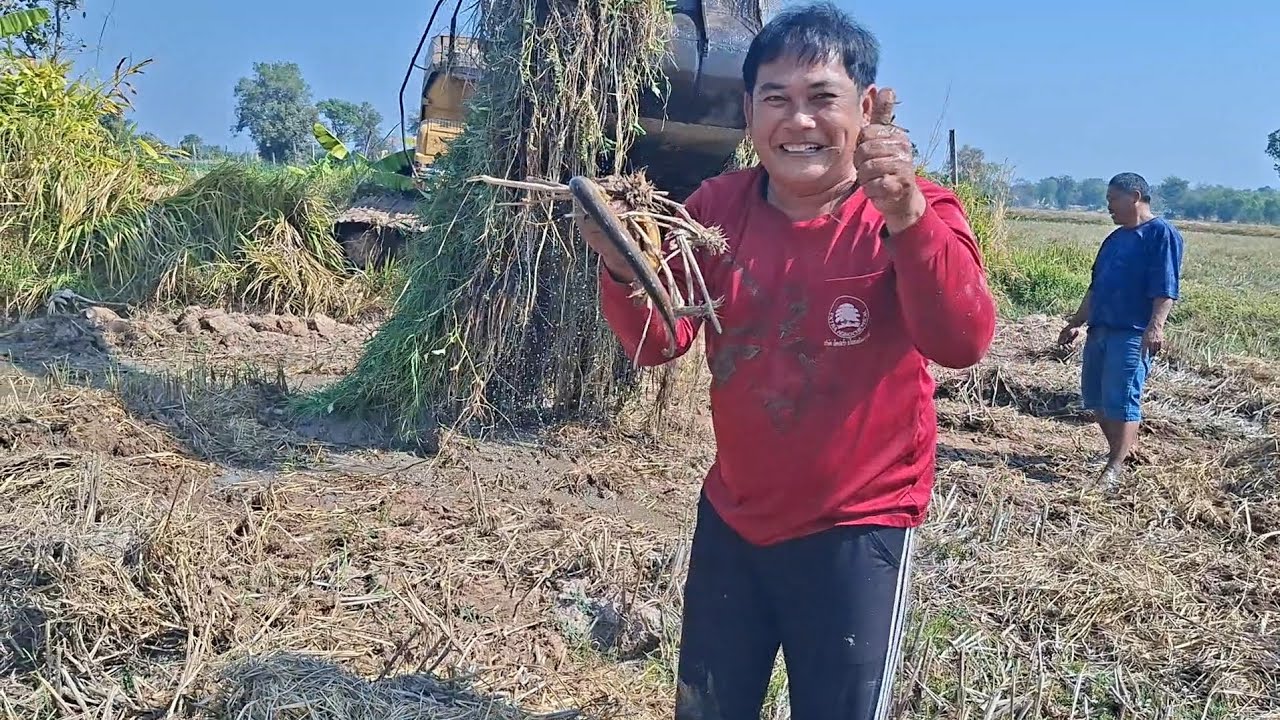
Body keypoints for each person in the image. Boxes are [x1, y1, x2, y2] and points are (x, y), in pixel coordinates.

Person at [573, 3, 997, 718]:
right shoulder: (716, 210)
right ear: (748, 112)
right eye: (776, 99)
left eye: (821, 99)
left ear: (865, 109)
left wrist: (907, 219)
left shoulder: (916, 210)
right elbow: (658, 342)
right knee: (708, 707)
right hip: (734, 518)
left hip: (859, 529)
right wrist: (623, 268)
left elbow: (962, 342)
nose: (797, 121)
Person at [1058, 172, 1184, 488]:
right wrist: (1075, 323)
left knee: (1122, 399)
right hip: (1101, 328)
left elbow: (1166, 286)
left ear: (1135, 196)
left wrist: (1156, 327)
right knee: (1096, 399)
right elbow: (1095, 287)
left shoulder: (1161, 234)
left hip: (1132, 331)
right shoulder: (1114, 239)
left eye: (1113, 199)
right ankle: (1125, 452)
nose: (1109, 207)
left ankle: (1114, 468)